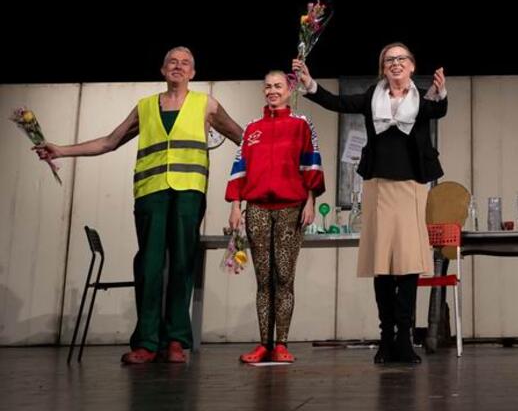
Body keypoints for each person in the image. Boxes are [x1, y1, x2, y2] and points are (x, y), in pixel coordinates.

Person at [35, 46, 243, 364]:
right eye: (172, 61)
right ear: (162, 69)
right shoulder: (145, 106)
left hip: (189, 192)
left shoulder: (207, 104)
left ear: (193, 73)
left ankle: (176, 340)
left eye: (185, 63)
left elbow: (245, 139)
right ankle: (146, 341)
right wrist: (61, 150)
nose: (178, 66)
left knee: (183, 263)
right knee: (149, 264)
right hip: (150, 192)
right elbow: (109, 141)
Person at [291, 43, 446, 364]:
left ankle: (404, 338)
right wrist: (309, 83)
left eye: (401, 59)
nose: (395, 63)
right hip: (377, 185)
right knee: (382, 264)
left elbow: (439, 110)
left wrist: (441, 92)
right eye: (389, 60)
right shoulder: (371, 97)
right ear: (382, 67)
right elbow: (337, 103)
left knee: (409, 265)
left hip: (412, 186)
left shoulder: (422, 100)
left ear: (412, 66)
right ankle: (386, 337)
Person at [225, 70, 325, 363]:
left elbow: (311, 163)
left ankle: (281, 344)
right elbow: (240, 167)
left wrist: (310, 201)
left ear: (289, 90)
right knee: (263, 279)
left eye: (278, 86)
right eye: (268, 86)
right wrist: (235, 205)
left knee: (284, 276)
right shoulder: (252, 128)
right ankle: (263, 344)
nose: (272, 91)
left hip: (291, 208)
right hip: (257, 209)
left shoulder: (301, 124)